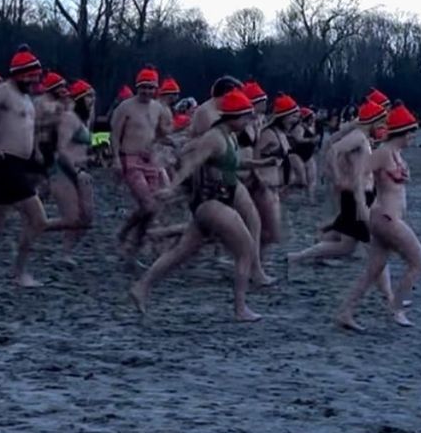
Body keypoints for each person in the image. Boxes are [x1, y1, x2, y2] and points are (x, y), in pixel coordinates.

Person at [130, 89, 272, 322]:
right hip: (210, 202)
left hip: (216, 201)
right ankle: (240, 309)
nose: (250, 120)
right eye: (246, 116)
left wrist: (262, 162)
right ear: (234, 116)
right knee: (246, 249)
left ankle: (141, 287)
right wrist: (172, 187)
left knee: (180, 253)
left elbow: (234, 163)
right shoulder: (214, 138)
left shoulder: (230, 136)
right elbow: (192, 164)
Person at [335, 103, 421, 330]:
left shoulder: (395, 154)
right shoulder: (383, 153)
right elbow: (360, 176)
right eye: (411, 133)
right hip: (386, 218)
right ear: (402, 133)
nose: (413, 137)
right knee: (418, 261)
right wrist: (360, 205)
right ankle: (396, 308)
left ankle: (346, 311)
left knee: (374, 269)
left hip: (386, 217)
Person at [0, 46, 53, 286]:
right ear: (17, 74)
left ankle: (18, 272)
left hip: (18, 164)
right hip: (4, 163)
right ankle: (19, 273)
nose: (33, 79)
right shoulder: (3, 91)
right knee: (39, 219)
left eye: (35, 74)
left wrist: (35, 154)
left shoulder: (25, 98)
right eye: (28, 74)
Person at [287, 100, 388, 267]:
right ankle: (298, 257)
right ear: (373, 120)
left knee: (343, 237)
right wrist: (337, 177)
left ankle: (305, 254)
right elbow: (334, 149)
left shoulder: (362, 137)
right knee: (348, 245)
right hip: (357, 194)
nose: (382, 124)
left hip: (361, 192)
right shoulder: (358, 137)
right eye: (381, 120)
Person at [110, 64, 173, 263]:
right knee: (147, 205)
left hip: (150, 160)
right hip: (130, 158)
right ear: (137, 87)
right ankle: (123, 232)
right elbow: (114, 135)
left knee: (152, 208)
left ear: (156, 89)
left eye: (150, 87)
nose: (147, 91)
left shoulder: (157, 108)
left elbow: (160, 132)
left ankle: (133, 247)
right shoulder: (125, 107)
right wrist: (115, 159)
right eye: (143, 87)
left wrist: (172, 136)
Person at [52, 78, 96, 262]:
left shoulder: (84, 120)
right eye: (88, 97)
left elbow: (80, 148)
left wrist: (92, 158)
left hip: (81, 170)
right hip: (63, 171)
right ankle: (64, 252)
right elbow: (61, 150)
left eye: (93, 97)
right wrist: (75, 172)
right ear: (79, 99)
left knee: (87, 218)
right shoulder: (69, 118)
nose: (92, 100)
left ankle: (66, 251)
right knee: (71, 217)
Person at [252, 94, 300, 260]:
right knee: (270, 233)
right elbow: (255, 157)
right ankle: (250, 259)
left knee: (269, 233)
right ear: (283, 116)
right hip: (264, 187)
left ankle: (256, 262)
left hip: (274, 188)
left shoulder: (280, 133)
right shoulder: (268, 134)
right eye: (293, 115)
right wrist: (259, 180)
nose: (296, 119)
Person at [289, 106, 319, 201]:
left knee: (312, 178)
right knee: (302, 180)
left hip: (308, 155)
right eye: (311, 118)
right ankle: (286, 189)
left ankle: (310, 198)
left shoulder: (310, 127)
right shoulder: (299, 127)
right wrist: (311, 140)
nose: (313, 120)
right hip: (296, 154)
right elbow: (298, 139)